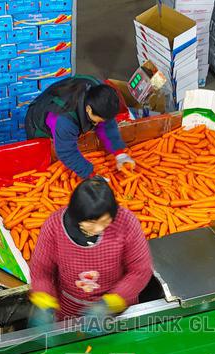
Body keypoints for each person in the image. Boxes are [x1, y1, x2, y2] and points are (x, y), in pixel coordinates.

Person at [28, 177, 153, 323]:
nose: (99, 229)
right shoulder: (54, 226)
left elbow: (140, 270)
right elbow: (41, 270)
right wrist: (44, 300)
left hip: (117, 310)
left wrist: (109, 304)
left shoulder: (126, 222)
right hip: (70, 309)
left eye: (106, 221)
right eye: (92, 223)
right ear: (77, 216)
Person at [25, 75, 135, 179]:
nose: (97, 125)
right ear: (88, 109)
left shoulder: (99, 92)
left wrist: (119, 153)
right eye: (97, 121)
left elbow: (107, 123)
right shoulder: (64, 120)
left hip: (63, 112)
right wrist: (90, 174)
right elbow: (67, 152)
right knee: (43, 160)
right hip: (39, 122)